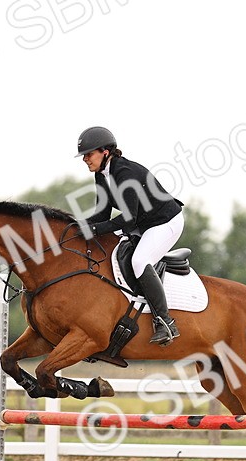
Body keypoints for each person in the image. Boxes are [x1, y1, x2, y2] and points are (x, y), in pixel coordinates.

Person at [75, 126, 184, 345]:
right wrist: (72, 226)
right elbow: (102, 213)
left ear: (105, 151)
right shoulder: (102, 175)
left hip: (165, 222)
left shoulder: (124, 173)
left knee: (140, 260)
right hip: (142, 223)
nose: (85, 159)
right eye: (83, 155)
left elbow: (128, 220)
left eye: (89, 154)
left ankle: (165, 322)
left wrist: (93, 230)